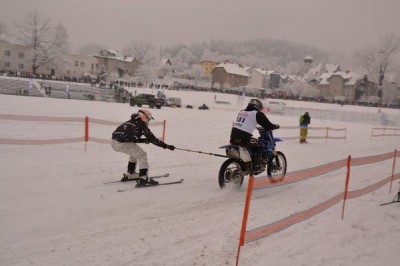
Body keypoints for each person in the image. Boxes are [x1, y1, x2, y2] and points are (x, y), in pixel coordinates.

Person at [111, 109, 175, 187]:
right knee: (142, 155)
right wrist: (166, 146)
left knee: (134, 153)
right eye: (148, 120)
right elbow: (153, 139)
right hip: (122, 143)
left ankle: (131, 174)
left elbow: (130, 138)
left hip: (114, 142)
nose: (148, 122)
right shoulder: (141, 124)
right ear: (145, 117)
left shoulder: (132, 121)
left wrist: (143, 140)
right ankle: (143, 178)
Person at [230, 98, 279, 169]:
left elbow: (245, 122)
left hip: (233, 136)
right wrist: (276, 126)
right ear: (258, 106)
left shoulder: (242, 111)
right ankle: (256, 166)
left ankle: (248, 161)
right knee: (260, 144)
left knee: (252, 144)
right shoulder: (257, 113)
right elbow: (268, 125)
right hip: (245, 138)